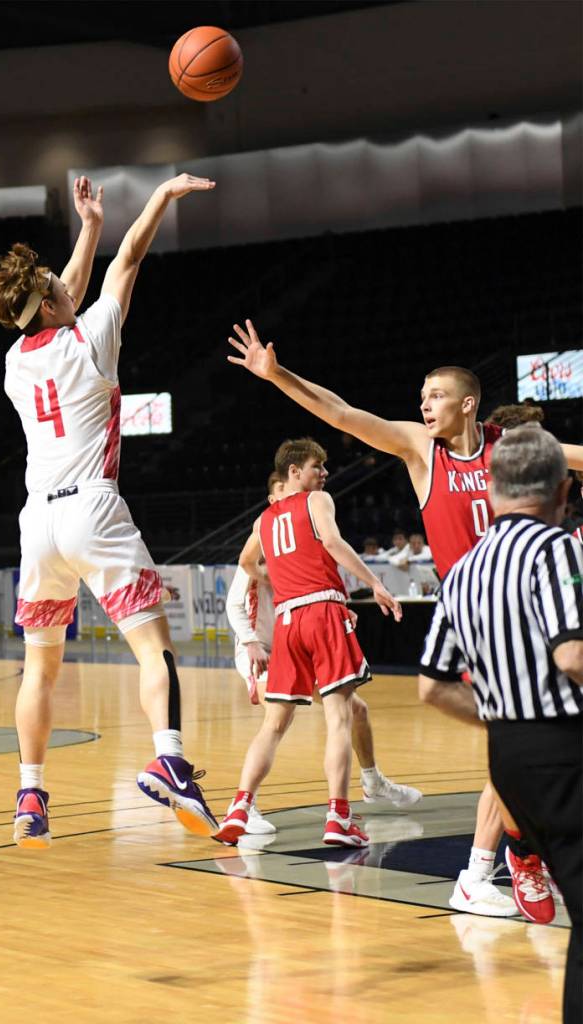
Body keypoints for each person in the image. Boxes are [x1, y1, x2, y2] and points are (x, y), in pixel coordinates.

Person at [226, 319, 583, 917]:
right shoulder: (421, 450)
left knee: (529, 737)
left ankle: (508, 855)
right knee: (521, 731)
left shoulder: (511, 448)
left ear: (468, 403)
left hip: (532, 605)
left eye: (435, 395)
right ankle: (506, 857)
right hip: (477, 614)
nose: (424, 403)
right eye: (422, 396)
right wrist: (276, 374)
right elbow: (341, 414)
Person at [0, 172, 219, 848]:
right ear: (55, 301)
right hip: (92, 509)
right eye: (56, 285)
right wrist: (158, 200)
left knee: (40, 669)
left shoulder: (13, 362)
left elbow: (63, 294)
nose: (64, 285)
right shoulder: (90, 340)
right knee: (154, 650)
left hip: (37, 525)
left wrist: (87, 224)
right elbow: (128, 262)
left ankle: (30, 794)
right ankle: (169, 759)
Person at [417, 426, 582, 1023]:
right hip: (564, 747)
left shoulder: (462, 571)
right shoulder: (555, 548)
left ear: (489, 490)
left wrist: (502, 715)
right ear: (564, 491)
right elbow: (571, 655)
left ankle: (515, 859)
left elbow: (431, 686)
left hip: (506, 756)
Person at [213, 437, 402, 847]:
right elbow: (333, 544)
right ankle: (338, 817)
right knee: (339, 718)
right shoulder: (317, 501)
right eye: (318, 466)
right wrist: (375, 584)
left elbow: (246, 562)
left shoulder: (262, 521)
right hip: (321, 612)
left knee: (273, 725)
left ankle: (239, 808)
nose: (325, 474)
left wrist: (278, 580)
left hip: (287, 620)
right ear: (294, 472)